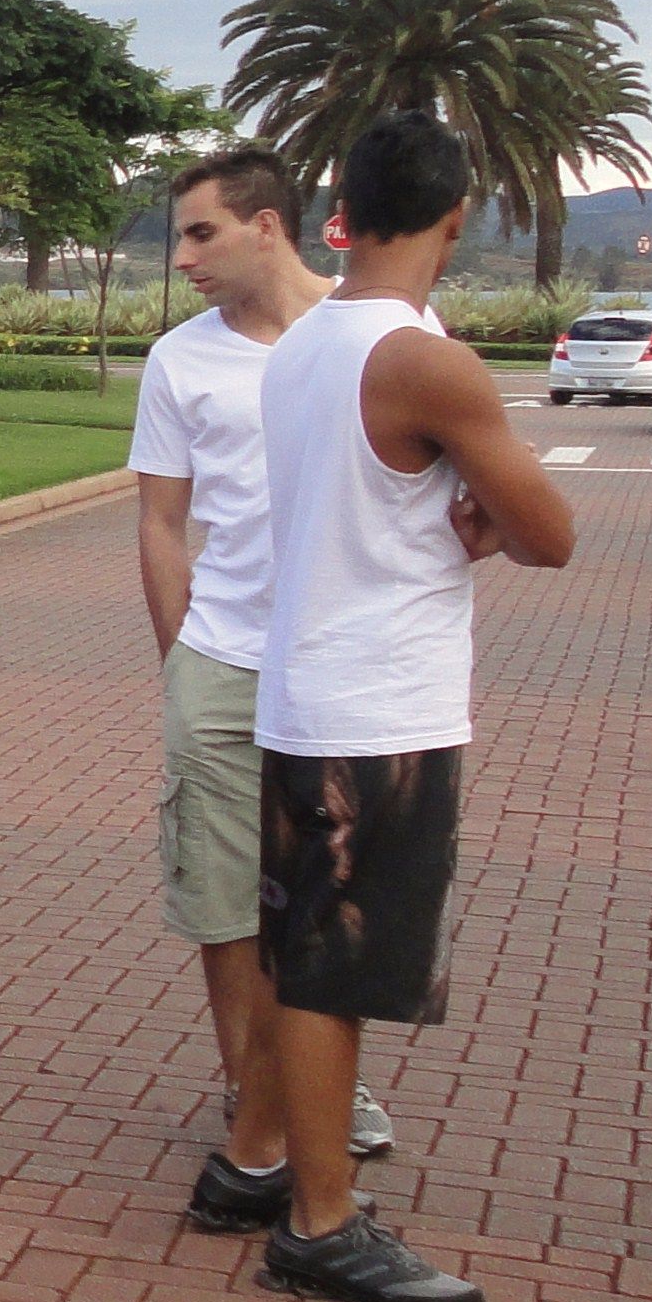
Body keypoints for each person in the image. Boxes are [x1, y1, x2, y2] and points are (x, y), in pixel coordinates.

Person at [249, 112, 573, 1302]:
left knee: (314, 957)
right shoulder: (422, 360)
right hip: (377, 707)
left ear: (348, 206)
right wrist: (484, 494)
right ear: (454, 216)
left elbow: (389, 489)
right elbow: (550, 533)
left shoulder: (303, 348)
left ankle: (308, 1194)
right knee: (334, 968)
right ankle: (321, 1224)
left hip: (308, 688)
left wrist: (461, 486)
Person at [128, 148, 394, 1242]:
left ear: (267, 226)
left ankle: (307, 1086)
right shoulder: (178, 362)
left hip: (340, 668)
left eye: (198, 232)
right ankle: (257, 1098)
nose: (178, 256)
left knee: (328, 896)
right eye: (176, 235)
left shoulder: (368, 339)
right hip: (223, 659)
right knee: (226, 899)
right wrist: (181, 655)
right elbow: (158, 521)